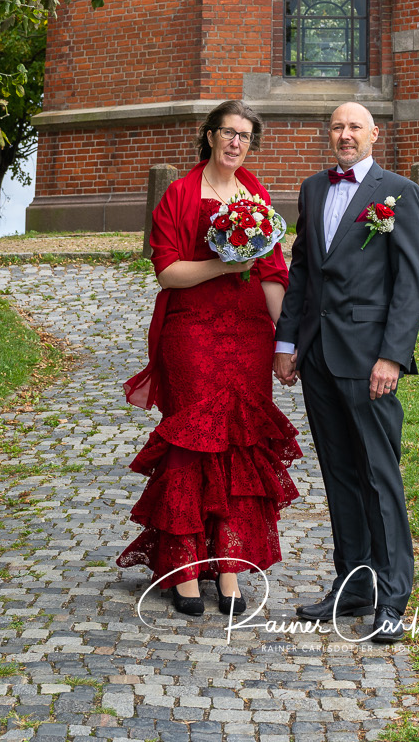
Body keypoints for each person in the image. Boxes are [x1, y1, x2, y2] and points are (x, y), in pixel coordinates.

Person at [119, 99, 300, 618]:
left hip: (248, 335)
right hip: (192, 331)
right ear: (209, 135)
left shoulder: (256, 194)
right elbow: (168, 273)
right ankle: (184, 569)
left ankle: (228, 566)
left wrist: (283, 343)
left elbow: (271, 273)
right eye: (227, 132)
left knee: (240, 445)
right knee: (194, 442)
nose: (235, 143)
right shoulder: (179, 194)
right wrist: (223, 266)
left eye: (245, 135)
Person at [273, 101, 419, 644]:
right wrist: (287, 343)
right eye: (337, 127)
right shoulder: (313, 189)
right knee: (339, 475)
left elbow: (410, 283)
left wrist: (392, 356)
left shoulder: (398, 192)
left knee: (379, 476)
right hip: (317, 357)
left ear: (374, 134)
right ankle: (353, 584)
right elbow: (303, 270)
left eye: (354, 127)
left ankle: (392, 596)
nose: (345, 135)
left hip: (368, 361)